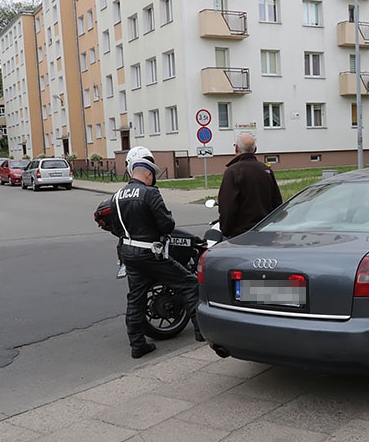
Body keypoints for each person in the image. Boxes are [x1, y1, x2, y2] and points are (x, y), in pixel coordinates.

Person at [110, 146, 203, 358]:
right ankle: (202, 331)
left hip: (128, 254)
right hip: (151, 253)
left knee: (136, 298)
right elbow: (167, 225)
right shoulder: (150, 193)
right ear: (148, 174)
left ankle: (137, 344)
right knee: (188, 283)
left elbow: (115, 228)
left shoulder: (116, 196)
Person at [218, 132, 283, 238]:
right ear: (255, 149)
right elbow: (277, 203)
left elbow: (227, 207)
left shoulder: (233, 172)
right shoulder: (266, 170)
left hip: (241, 234)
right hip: (265, 230)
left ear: (236, 149)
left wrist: (226, 231)